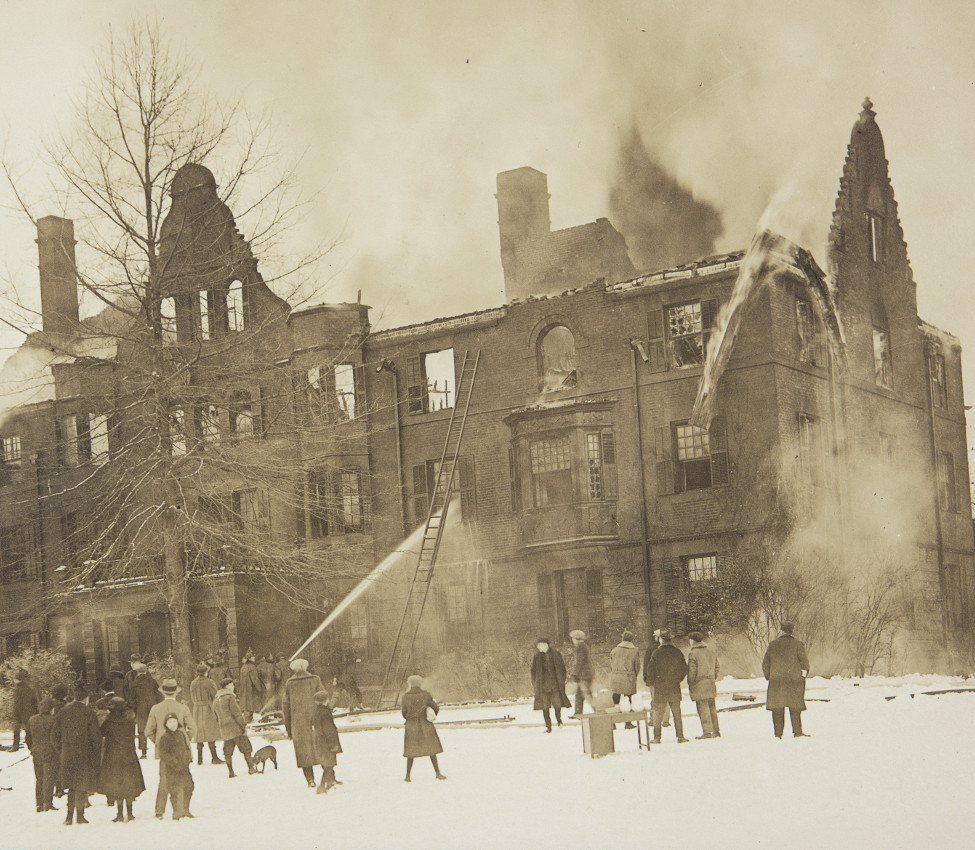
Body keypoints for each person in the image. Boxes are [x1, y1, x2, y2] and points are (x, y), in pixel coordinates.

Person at [50, 686, 101, 825]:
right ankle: (80, 816)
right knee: (82, 784)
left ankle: (68, 817)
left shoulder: (63, 712)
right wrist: (96, 754)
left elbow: (54, 736)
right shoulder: (89, 712)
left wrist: (62, 750)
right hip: (84, 753)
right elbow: (95, 737)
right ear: (86, 698)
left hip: (67, 753)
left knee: (71, 785)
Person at [98, 696, 145, 822]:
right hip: (129, 755)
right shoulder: (130, 722)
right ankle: (130, 812)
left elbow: (101, 734)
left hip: (112, 756)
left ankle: (119, 813)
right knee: (128, 783)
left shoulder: (108, 723)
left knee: (116, 784)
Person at [762, 622, 810, 739]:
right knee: (795, 707)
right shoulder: (798, 645)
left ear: (781, 630)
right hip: (794, 681)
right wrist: (802, 677)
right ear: (792, 631)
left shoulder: (773, 645)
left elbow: (765, 663)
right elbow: (805, 664)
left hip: (776, 680)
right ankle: (797, 732)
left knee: (777, 707)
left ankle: (778, 734)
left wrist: (770, 676)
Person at [282, 658, 325, 788]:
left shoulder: (289, 683)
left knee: (303, 752)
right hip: (316, 721)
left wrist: (289, 729)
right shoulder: (315, 679)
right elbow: (324, 698)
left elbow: (285, 708)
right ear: (306, 667)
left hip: (298, 725)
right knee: (322, 748)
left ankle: (310, 780)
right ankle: (329, 776)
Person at [646, 628, 688, 743]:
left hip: (660, 688)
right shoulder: (677, 652)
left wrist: (653, 682)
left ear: (661, 640)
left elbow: (650, 670)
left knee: (658, 714)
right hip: (674, 687)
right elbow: (684, 669)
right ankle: (680, 736)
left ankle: (657, 737)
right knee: (677, 713)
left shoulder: (656, 653)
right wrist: (677, 680)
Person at [401, 675, 445, 782]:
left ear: (410, 684)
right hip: (425, 724)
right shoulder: (426, 695)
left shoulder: (405, 697)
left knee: (410, 751)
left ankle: (408, 776)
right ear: (420, 683)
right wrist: (429, 714)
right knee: (432, 749)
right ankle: (438, 773)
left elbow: (404, 712)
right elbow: (436, 707)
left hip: (411, 726)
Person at [213, 677, 256, 778]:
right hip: (236, 729)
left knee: (227, 752)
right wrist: (243, 725)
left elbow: (215, 716)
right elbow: (237, 714)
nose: (233, 686)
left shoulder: (216, 699)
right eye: (232, 685)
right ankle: (251, 768)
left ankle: (231, 772)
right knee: (246, 749)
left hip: (225, 730)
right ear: (227, 686)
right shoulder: (230, 698)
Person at [156, 713, 194, 820]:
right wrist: (174, 761)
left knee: (189, 787)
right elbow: (163, 754)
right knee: (175, 790)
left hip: (184, 767)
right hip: (172, 769)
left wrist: (187, 757)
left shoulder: (181, 734)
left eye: (174, 721)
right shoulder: (164, 738)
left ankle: (186, 810)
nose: (172, 724)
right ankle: (177, 812)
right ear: (166, 724)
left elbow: (186, 748)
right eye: (170, 722)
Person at [530, 638, 571, 733]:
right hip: (543, 687)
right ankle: (548, 726)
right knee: (545, 707)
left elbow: (562, 668)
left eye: (540, 645)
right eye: (538, 645)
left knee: (557, 704)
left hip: (555, 685)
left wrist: (561, 680)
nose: (538, 647)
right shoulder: (537, 657)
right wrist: (535, 682)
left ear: (546, 645)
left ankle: (559, 719)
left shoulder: (556, 654)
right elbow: (533, 671)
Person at [25, 697, 57, 813]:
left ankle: (39, 803)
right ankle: (47, 803)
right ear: (50, 709)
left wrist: (32, 748)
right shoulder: (53, 720)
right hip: (50, 753)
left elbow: (28, 738)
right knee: (49, 778)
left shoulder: (32, 720)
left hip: (36, 752)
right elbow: (56, 738)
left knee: (39, 779)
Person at [687, 631, 721, 739]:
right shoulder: (711, 651)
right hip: (710, 683)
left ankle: (707, 732)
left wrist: (691, 683)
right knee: (712, 707)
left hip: (699, 684)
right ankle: (716, 731)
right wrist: (712, 678)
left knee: (702, 708)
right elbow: (717, 667)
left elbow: (692, 671)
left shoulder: (693, 653)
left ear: (692, 640)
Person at [190, 662, 224, 765]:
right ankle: (214, 757)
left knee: (199, 733)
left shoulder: (193, 683)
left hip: (197, 709)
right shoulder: (210, 682)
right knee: (211, 732)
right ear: (206, 672)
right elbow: (215, 695)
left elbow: (192, 697)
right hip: (208, 708)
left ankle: (200, 759)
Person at [311, 689, 343, 793]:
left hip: (319, 741)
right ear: (325, 700)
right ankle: (322, 786)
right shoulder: (326, 713)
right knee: (330, 763)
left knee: (325, 762)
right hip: (328, 741)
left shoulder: (316, 712)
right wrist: (333, 744)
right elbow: (329, 730)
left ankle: (330, 781)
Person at [127, 661, 161, 758]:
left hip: (140, 708)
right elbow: (158, 694)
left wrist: (132, 709)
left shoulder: (134, 684)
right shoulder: (152, 682)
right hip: (152, 706)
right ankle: (158, 748)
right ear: (146, 671)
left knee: (142, 729)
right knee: (156, 727)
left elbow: (132, 699)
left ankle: (144, 752)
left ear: (137, 672)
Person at [609, 630, 641, 728]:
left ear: (622, 638)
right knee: (628, 699)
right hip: (629, 677)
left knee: (615, 699)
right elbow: (637, 666)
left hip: (616, 677)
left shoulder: (614, 650)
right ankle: (628, 722)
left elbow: (611, 665)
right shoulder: (634, 651)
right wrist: (634, 675)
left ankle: (613, 722)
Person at [643, 630, 672, 729]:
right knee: (666, 699)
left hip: (654, 679)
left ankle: (653, 720)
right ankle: (665, 720)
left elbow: (646, 663)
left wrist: (646, 677)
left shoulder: (651, 647)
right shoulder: (669, 647)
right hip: (665, 678)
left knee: (655, 699)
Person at [11, 668, 40, 751]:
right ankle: (29, 746)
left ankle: (17, 746)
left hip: (24, 712)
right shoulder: (29, 688)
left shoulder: (24, 688)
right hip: (26, 712)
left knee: (21, 730)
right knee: (27, 731)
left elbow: (18, 702)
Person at [567, 630, 594, 718]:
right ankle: (578, 713)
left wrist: (574, 674)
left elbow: (578, 662)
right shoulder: (583, 646)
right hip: (586, 674)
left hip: (584, 675)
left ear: (577, 639)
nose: (572, 640)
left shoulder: (580, 647)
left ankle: (598, 710)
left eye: (573, 638)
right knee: (579, 694)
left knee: (587, 693)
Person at [49, 683, 69, 798]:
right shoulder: (64, 706)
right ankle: (61, 787)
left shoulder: (51, 706)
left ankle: (58, 788)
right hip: (62, 737)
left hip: (53, 737)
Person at [238, 652, 264, 719]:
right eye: (253, 657)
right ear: (250, 658)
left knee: (246, 706)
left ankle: (247, 718)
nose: (254, 658)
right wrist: (260, 689)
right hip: (251, 690)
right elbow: (255, 679)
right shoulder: (252, 667)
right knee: (251, 705)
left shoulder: (243, 668)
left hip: (244, 690)